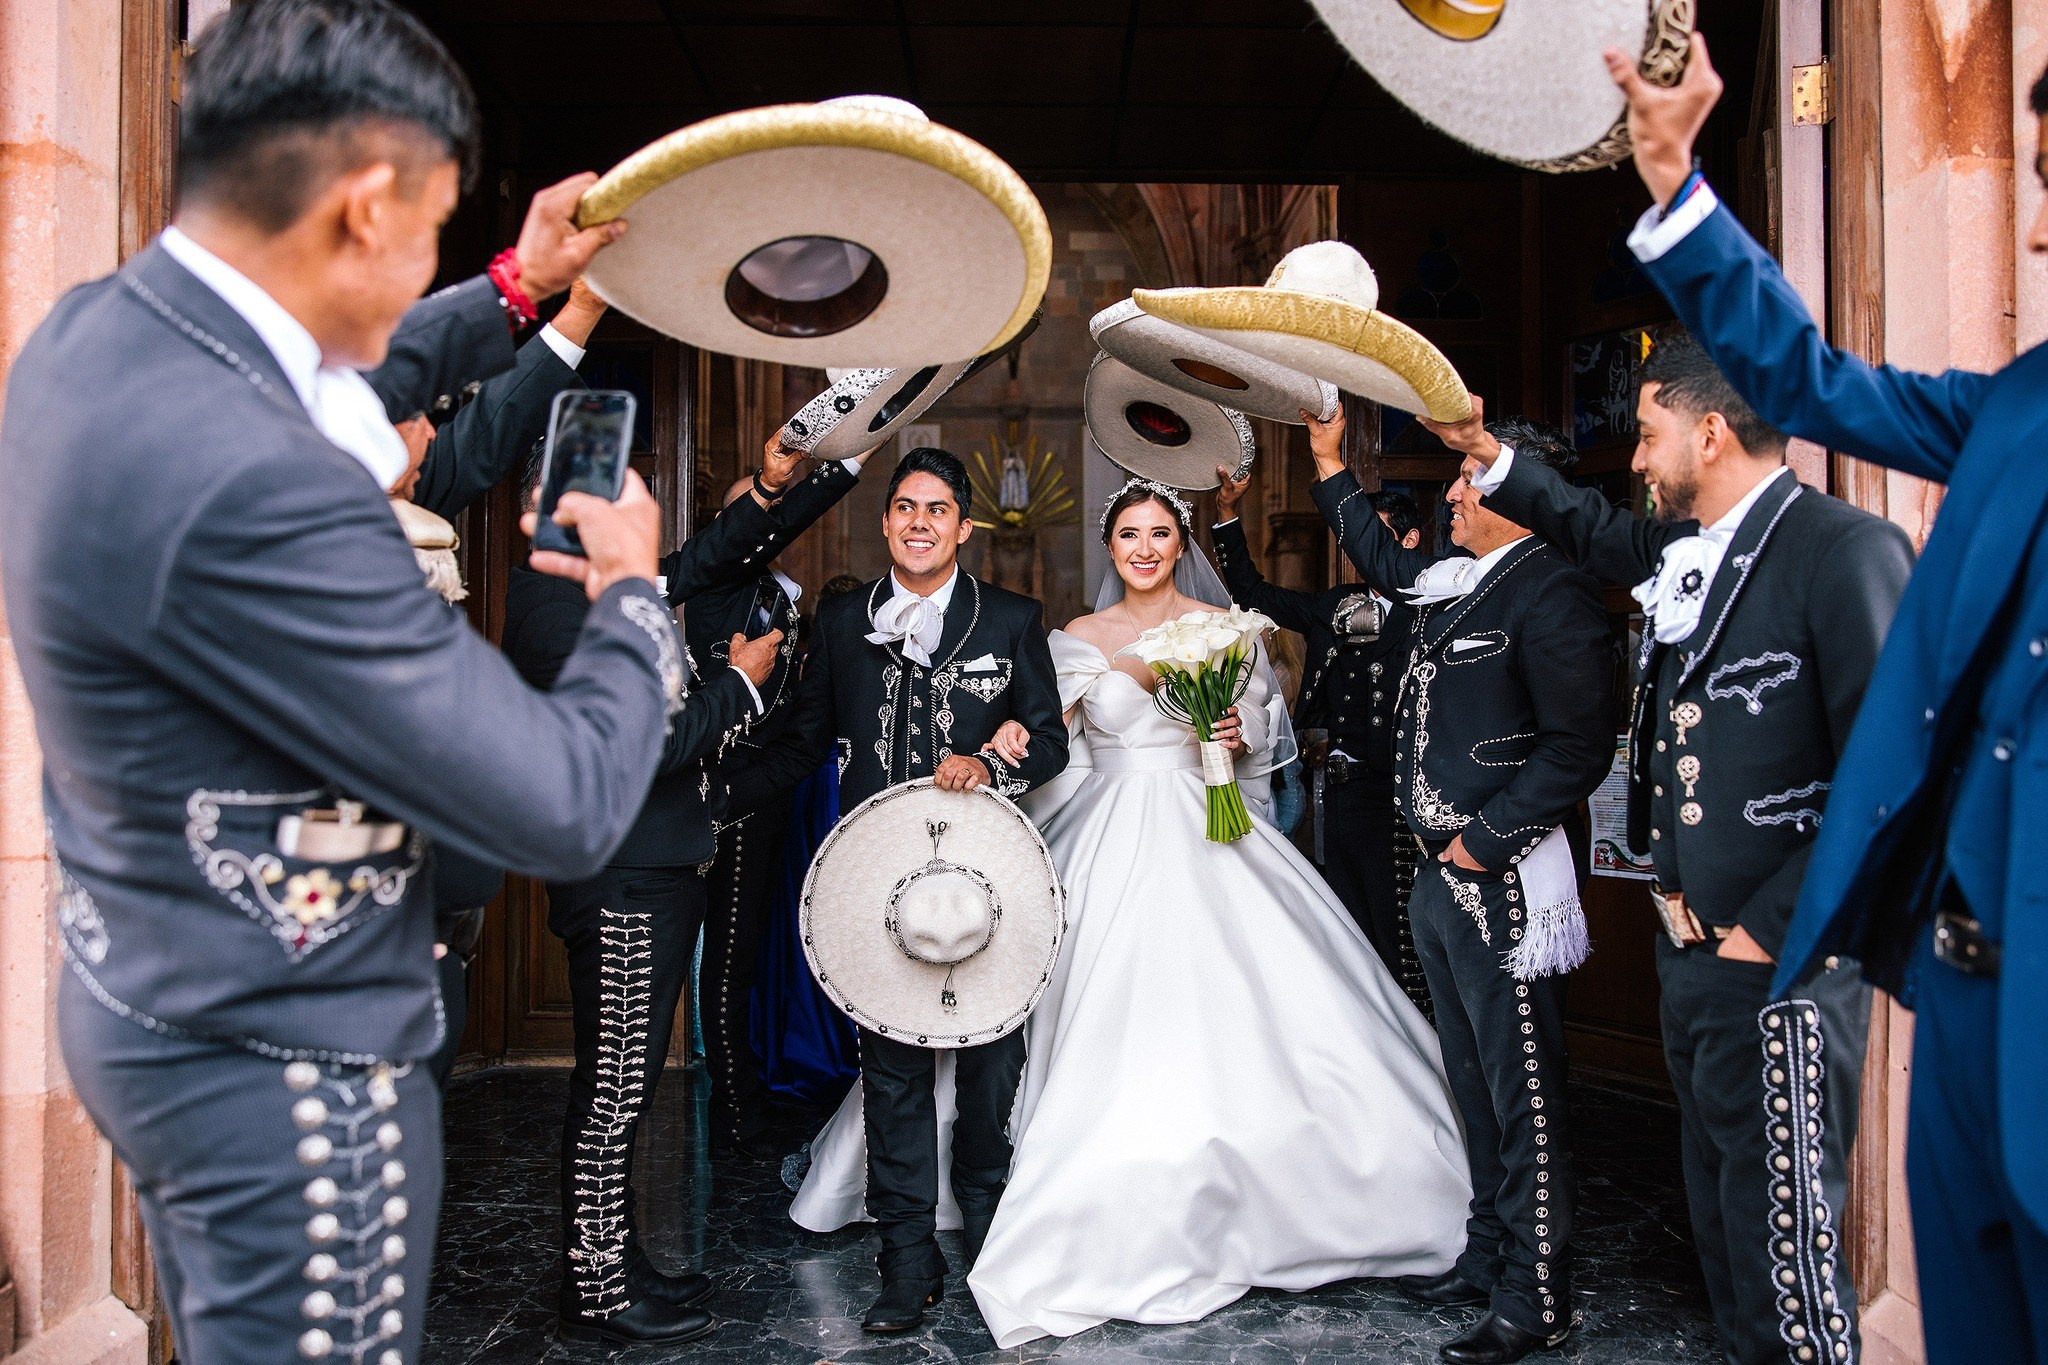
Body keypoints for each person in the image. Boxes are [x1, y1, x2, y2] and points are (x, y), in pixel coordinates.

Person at [0, 2, 662, 1361]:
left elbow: (307, 365)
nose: (420, 260)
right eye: (422, 228)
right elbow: (559, 801)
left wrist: (512, 288)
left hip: (150, 994)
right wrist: (633, 601)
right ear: (364, 209)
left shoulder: (98, 340)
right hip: (289, 1078)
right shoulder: (275, 497)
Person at [1607, 36, 2048, 1363]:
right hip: (1963, 986)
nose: (2031, 229)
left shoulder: (1839, 557)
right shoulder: (2017, 406)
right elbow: (1811, 383)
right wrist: (1678, 179)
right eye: (2033, 180)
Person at [1422, 335, 1914, 1364]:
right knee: (1723, 1239)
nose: (1635, 459)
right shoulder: (1690, 551)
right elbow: (1586, 528)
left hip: (1777, 965)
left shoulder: (1841, 552)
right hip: (1688, 956)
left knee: (1784, 1259)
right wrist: (1482, 449)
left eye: (1644, 435)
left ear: (1709, 430)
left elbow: (1891, 778)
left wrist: (1764, 935)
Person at [948, 478, 1470, 1347]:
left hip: (1211, 826)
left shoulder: (1226, 627)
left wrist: (1236, 734)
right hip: (1107, 833)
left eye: (1160, 532)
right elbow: (1055, 747)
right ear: (1108, 544)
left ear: (1179, 539)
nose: (1145, 547)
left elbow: (1266, 730)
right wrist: (1012, 738)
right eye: (1129, 533)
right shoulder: (1074, 637)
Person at [724, 447, 1069, 1335]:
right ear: (885, 523)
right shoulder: (842, 623)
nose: (921, 522)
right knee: (893, 1074)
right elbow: (803, 745)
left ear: (963, 525)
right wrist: (715, 794)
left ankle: (992, 1237)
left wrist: (993, 759)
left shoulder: (1014, 618)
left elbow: (1052, 745)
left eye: (939, 509)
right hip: (878, 890)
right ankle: (906, 1264)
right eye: (906, 507)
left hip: (988, 888)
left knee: (993, 1068)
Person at [1309, 408, 1615, 1363]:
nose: (1451, 494)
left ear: (1519, 495)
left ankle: (1539, 1292)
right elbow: (1378, 558)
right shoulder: (1458, 582)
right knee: (1473, 1082)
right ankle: (1486, 1254)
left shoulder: (1553, 591)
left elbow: (1578, 747)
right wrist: (1326, 463)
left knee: (1524, 1090)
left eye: (1469, 482)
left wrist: (1485, 843)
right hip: (1442, 879)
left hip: (1505, 882)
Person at [503, 440, 821, 1346]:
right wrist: (738, 685)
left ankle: (613, 1260)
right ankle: (597, 1288)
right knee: (614, 1089)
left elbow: (701, 560)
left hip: (646, 869)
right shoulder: (551, 613)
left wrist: (777, 486)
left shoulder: (599, 586)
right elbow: (645, 742)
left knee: (629, 1086)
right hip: (622, 880)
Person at [691, 442, 871, 1159]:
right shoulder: (712, 587)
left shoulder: (773, 590)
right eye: (748, 512)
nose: (762, 523)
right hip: (724, 787)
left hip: (765, 786)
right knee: (729, 953)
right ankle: (733, 1108)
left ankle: (746, 1090)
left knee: (749, 946)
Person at [1212, 467, 1427, 994]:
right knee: (1346, 930)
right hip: (1336, 791)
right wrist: (1226, 515)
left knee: (1399, 933)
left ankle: (1416, 1048)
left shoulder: (1433, 608)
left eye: (1372, 536)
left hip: (1399, 795)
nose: (1361, 551)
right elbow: (1251, 592)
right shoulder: (1336, 603)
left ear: (1409, 539)